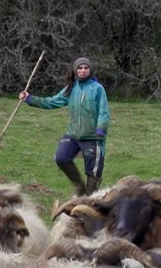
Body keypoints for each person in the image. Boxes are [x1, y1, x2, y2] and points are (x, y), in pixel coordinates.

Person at [24, 56, 110, 194]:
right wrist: (30, 99)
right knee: (61, 158)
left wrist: (100, 131)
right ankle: (78, 186)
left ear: (90, 70)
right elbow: (51, 102)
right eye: (80, 68)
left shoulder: (97, 89)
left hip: (93, 137)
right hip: (73, 135)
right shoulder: (71, 88)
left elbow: (104, 112)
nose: (83, 71)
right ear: (75, 71)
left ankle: (91, 199)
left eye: (86, 68)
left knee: (93, 173)